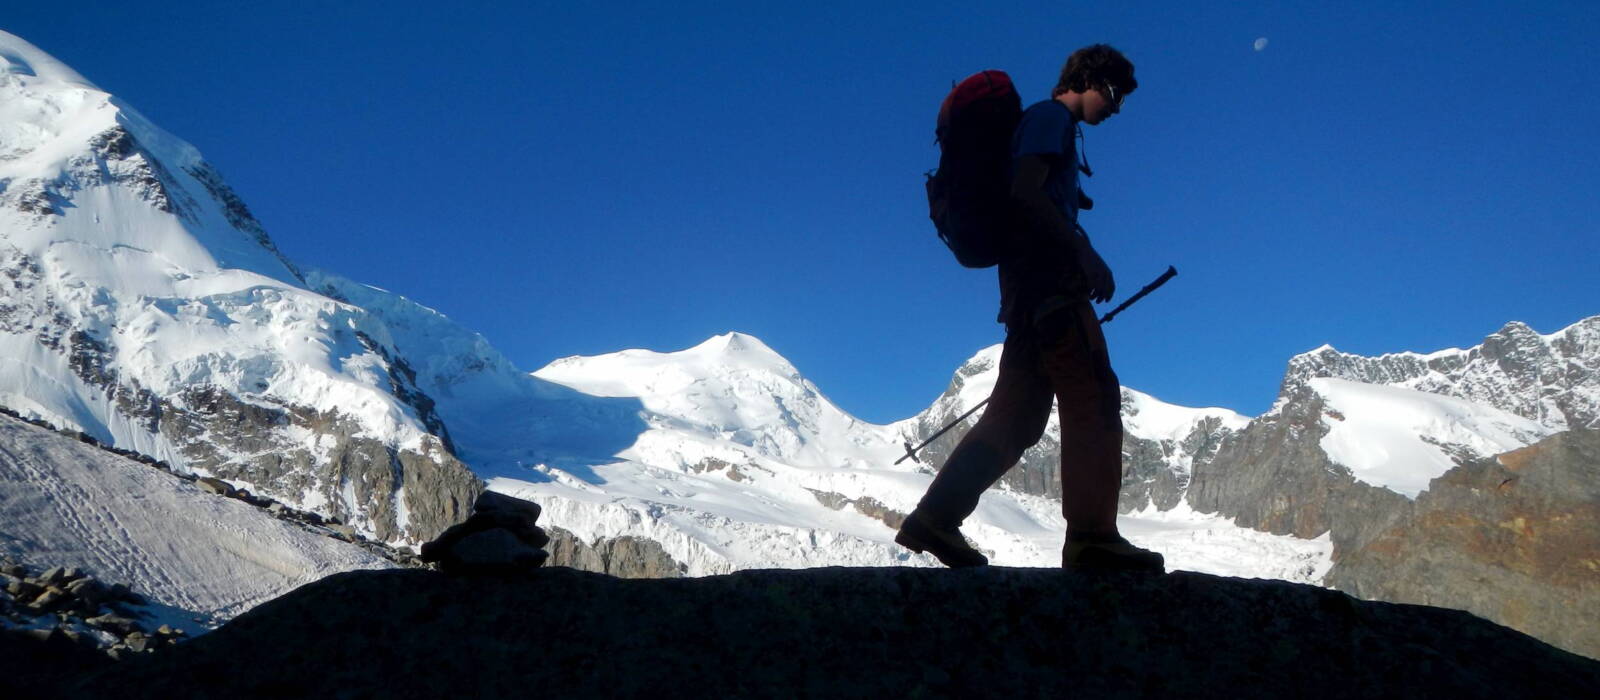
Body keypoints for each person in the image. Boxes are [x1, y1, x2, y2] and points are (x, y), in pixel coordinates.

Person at [895, 45, 1163, 572]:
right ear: (1087, 80)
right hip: (1052, 292)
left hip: (1023, 298)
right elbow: (1026, 193)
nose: (1115, 108)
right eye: (1114, 94)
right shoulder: (1049, 119)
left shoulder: (1040, 125)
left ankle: (936, 518)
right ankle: (1092, 537)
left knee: (1015, 419)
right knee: (1092, 395)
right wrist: (1084, 253)